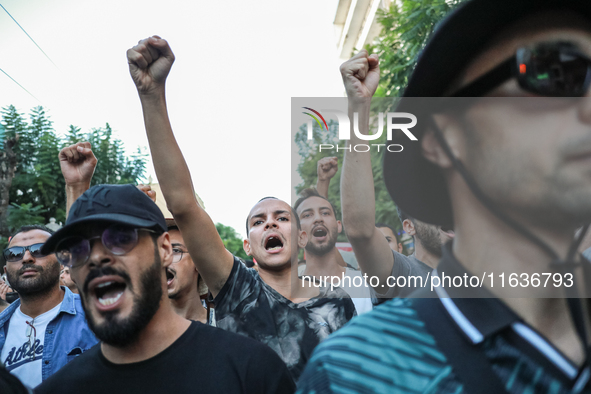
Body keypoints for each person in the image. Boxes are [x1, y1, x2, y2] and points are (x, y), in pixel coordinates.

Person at [297, 0, 591, 392]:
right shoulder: (362, 371)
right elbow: (361, 228)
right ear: (443, 138)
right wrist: (358, 109)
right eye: (556, 72)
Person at [127, 35, 355, 381]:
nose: (271, 225)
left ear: (302, 236)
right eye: (258, 221)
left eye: (282, 218)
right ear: (247, 245)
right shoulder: (237, 289)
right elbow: (183, 205)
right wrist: (152, 95)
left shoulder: (338, 304)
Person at [37, 184, 295, 394]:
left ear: (164, 250)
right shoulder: (57, 390)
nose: (96, 258)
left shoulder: (251, 370)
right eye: (79, 248)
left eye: (120, 239)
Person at [0, 225, 97, 388]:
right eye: (15, 254)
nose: (26, 258)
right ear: (6, 270)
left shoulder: (96, 316)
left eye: (40, 250)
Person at [294, 188, 372, 314]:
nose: (318, 218)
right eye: (307, 215)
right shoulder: (290, 294)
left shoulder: (368, 284)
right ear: (297, 234)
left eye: (325, 213)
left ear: (338, 225)